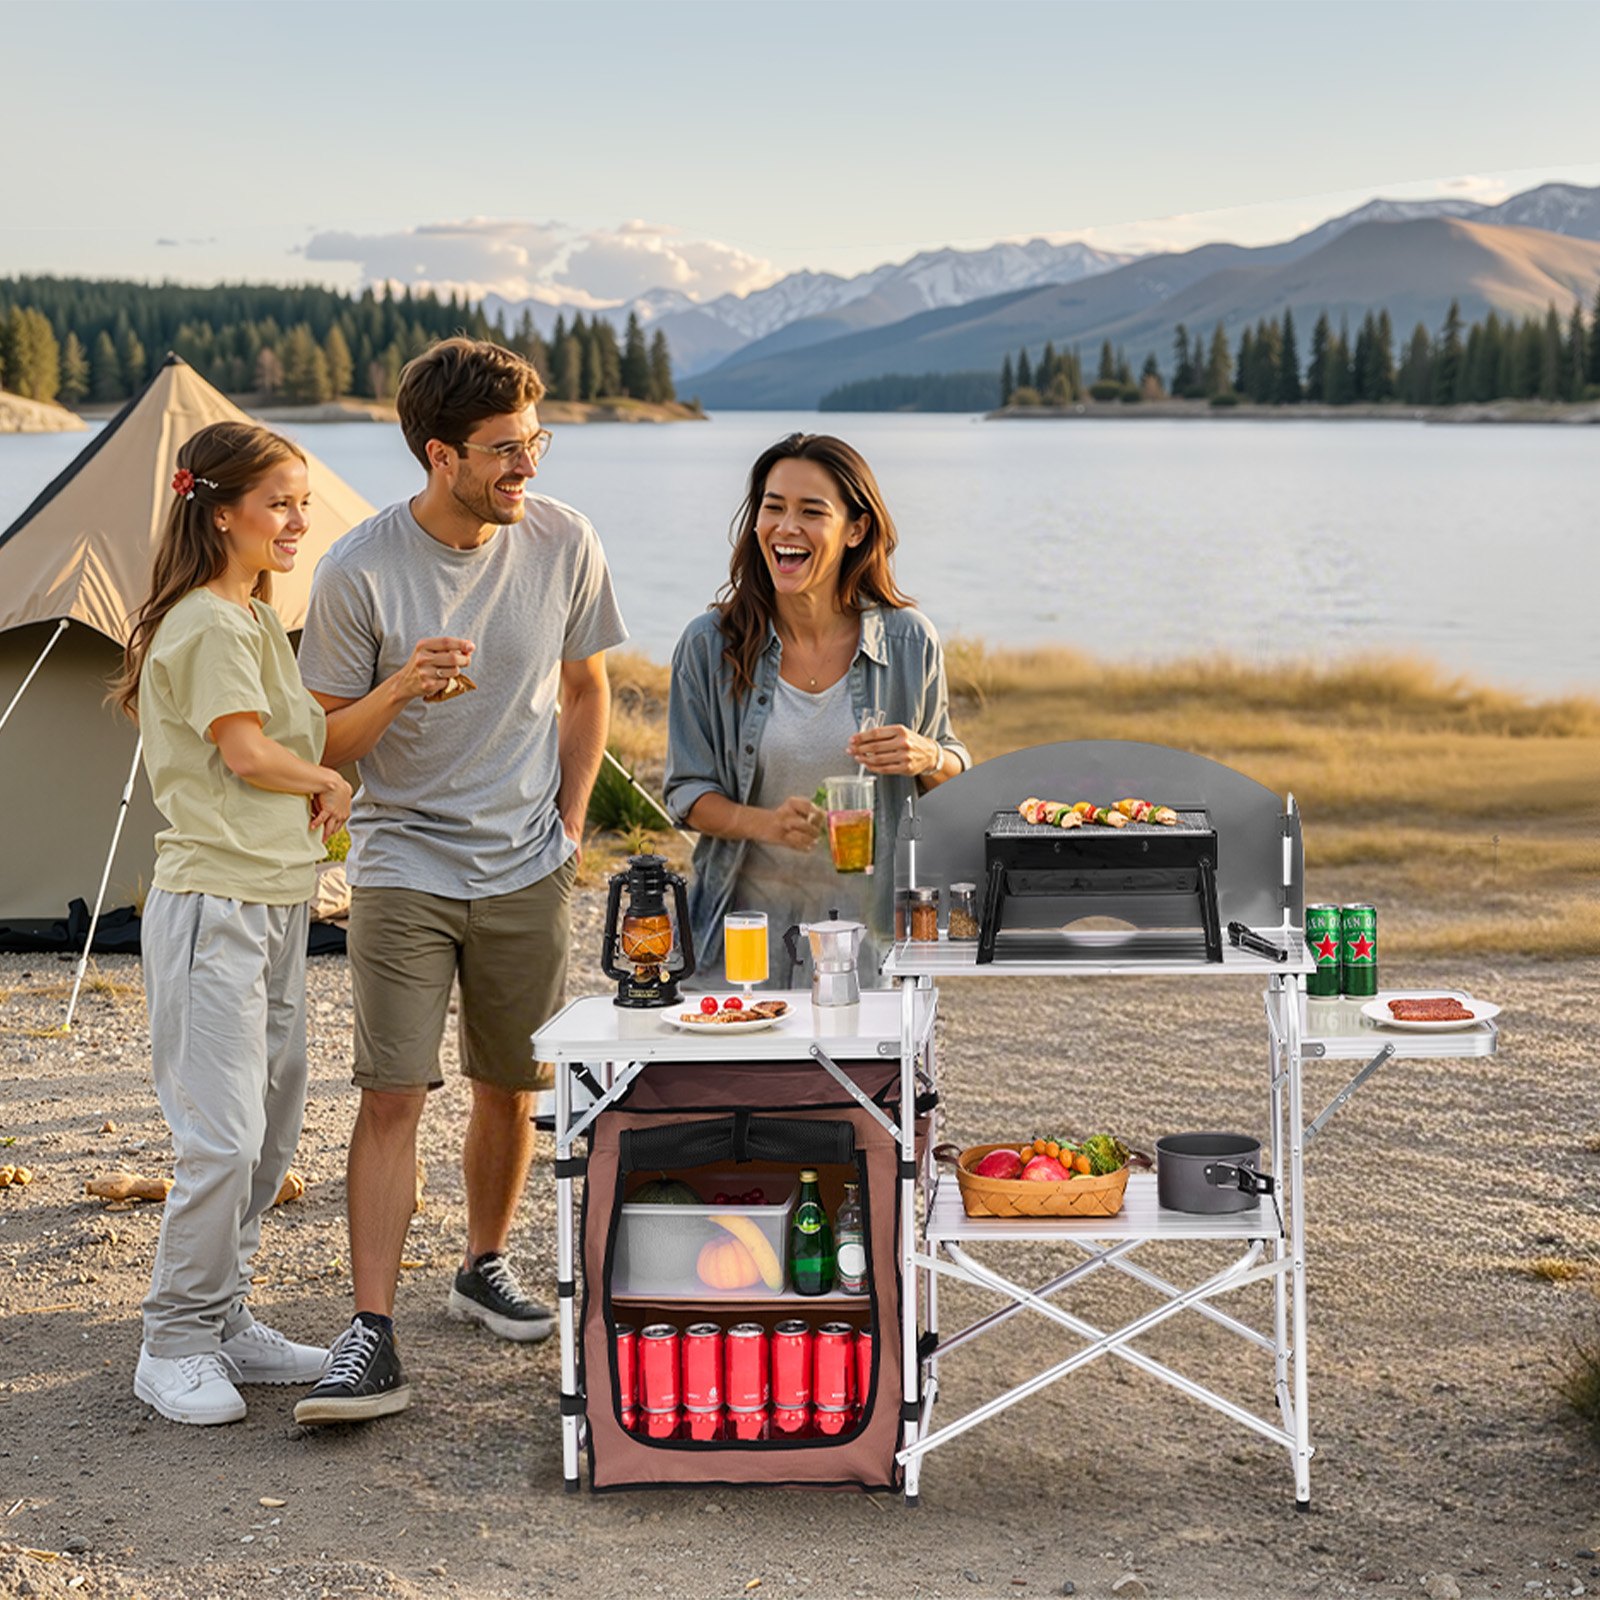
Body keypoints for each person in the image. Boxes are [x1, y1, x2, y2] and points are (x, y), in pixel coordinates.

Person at [292, 337, 626, 1425]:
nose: (527, 465)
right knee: (392, 1091)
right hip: (401, 860)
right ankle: (370, 1332)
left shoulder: (565, 539)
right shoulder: (358, 568)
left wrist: (570, 823)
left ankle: (482, 1264)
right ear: (440, 455)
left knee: (511, 1084)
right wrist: (401, 685)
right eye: (504, 449)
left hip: (528, 861)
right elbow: (326, 745)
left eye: (534, 440)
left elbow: (585, 689)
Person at [112, 421, 353, 1425]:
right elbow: (248, 753)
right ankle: (171, 1342)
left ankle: (223, 1318)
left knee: (269, 1127)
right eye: (280, 503)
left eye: (303, 501)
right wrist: (328, 778)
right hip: (214, 901)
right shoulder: (210, 623)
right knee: (223, 1132)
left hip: (272, 896)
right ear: (221, 513)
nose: (299, 520)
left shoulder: (249, 616)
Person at [663, 432, 969, 987]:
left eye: (811, 512)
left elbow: (954, 779)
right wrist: (764, 824)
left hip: (870, 941)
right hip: (738, 936)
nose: (786, 527)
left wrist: (927, 757)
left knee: (862, 1076)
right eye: (773, 508)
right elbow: (686, 793)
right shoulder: (709, 645)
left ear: (855, 529)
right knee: (732, 1073)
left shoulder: (908, 642)